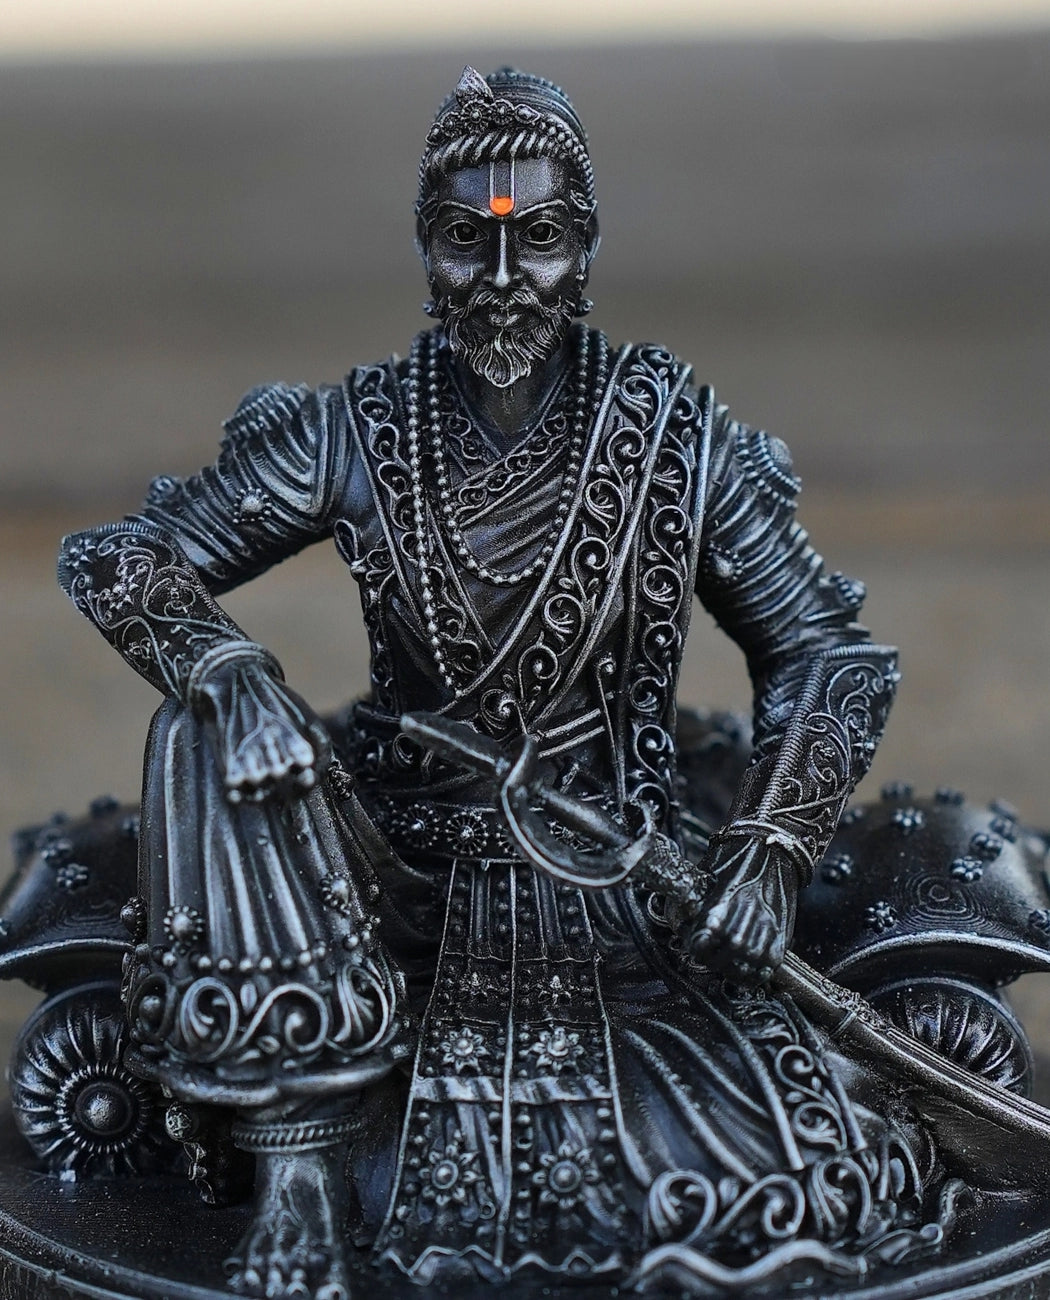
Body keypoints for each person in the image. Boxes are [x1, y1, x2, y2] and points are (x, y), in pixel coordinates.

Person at [58, 66, 957, 1296]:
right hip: (399, 881)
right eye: (462, 238)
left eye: (536, 239)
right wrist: (226, 667)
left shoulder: (671, 430)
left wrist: (771, 850)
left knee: (795, 1162)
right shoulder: (358, 426)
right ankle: (297, 1162)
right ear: (423, 249)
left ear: (585, 248)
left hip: (617, 880)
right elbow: (121, 558)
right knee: (196, 726)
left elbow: (823, 650)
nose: (498, 278)